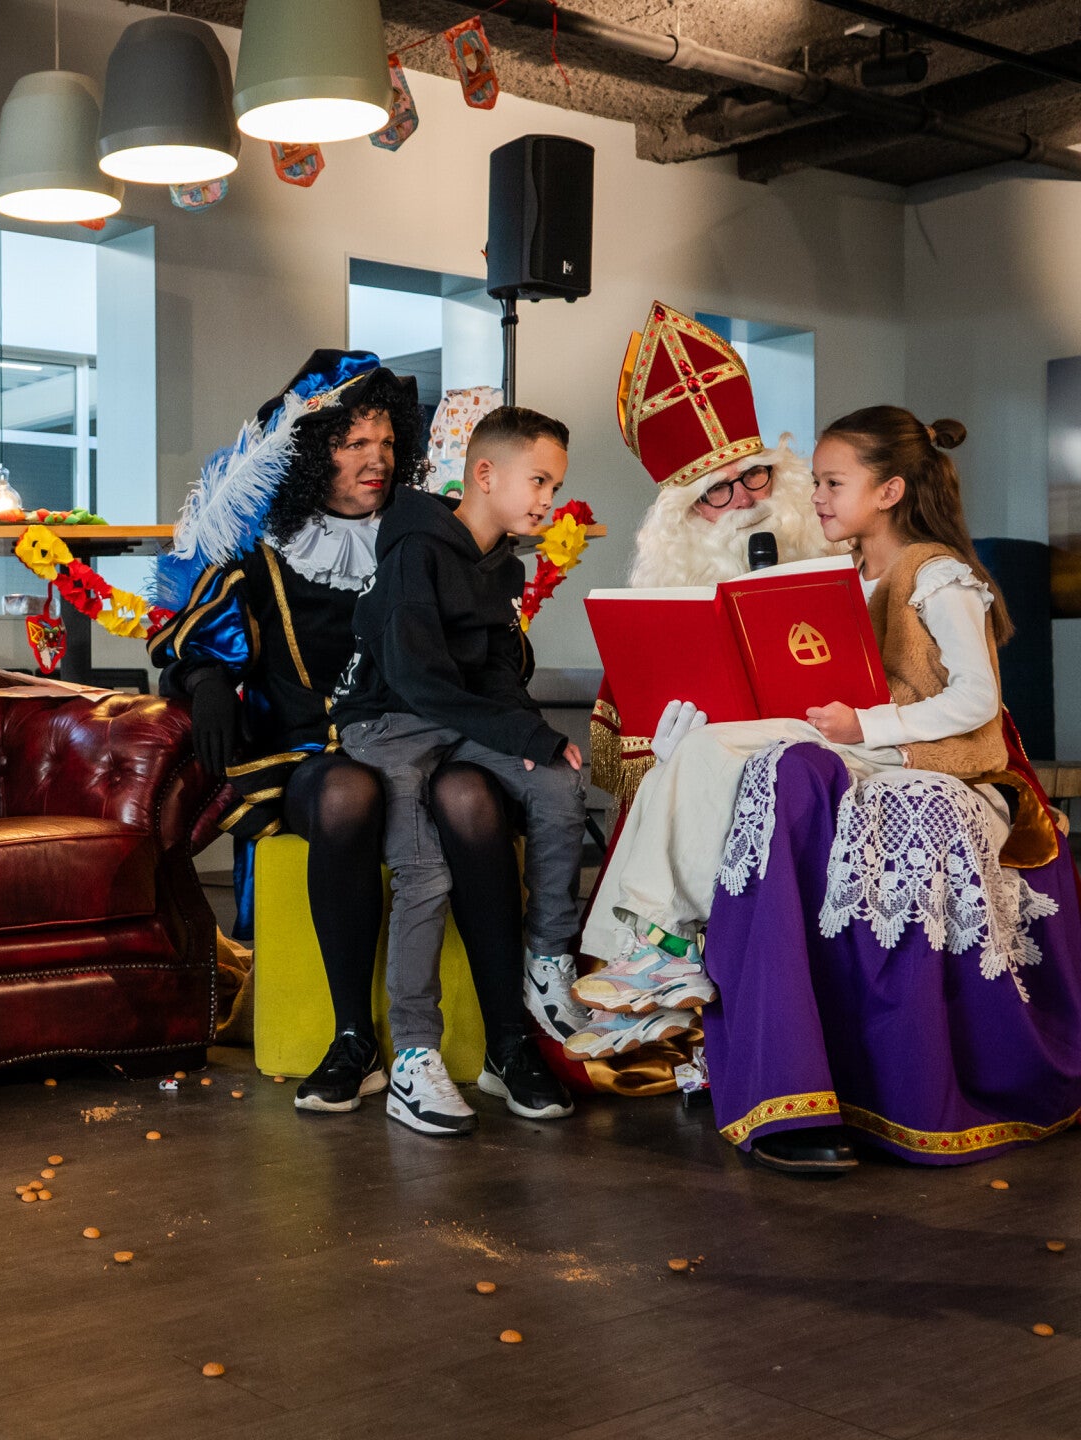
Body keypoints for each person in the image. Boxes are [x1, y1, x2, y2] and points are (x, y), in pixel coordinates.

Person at [581, 403, 1081, 1174]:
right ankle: (659, 946)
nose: (811, 497)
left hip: (910, 755)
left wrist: (865, 722)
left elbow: (977, 700)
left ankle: (650, 942)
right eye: (812, 481)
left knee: (729, 754)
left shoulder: (936, 573)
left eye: (829, 482)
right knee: (706, 747)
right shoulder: (846, 571)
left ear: (888, 491)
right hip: (849, 746)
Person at [151, 351, 516, 1116]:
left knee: (474, 798)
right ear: (316, 454)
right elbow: (191, 637)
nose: (376, 459)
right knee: (350, 795)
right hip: (316, 755)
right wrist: (209, 681)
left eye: (386, 442)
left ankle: (509, 1044)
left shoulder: (430, 540)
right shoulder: (264, 555)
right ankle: (355, 1040)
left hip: (430, 745)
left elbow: (496, 651)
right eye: (354, 444)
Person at [569, 300, 840, 1064]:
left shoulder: (838, 563)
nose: (745, 500)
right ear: (681, 517)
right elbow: (610, 762)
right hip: (711, 793)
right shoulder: (662, 608)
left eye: (755, 476)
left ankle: (656, 961)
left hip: (821, 768)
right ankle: (658, 982)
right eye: (716, 492)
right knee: (681, 774)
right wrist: (658, 751)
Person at [332, 406, 588, 1137]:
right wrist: (515, 731)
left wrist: (532, 737)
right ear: (485, 474)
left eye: (554, 485)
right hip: (389, 726)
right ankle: (415, 1057)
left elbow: (497, 676)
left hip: (452, 721)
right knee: (426, 874)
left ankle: (548, 961)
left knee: (559, 779)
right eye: (538, 481)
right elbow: (417, 679)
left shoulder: (503, 565)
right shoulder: (416, 550)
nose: (548, 499)